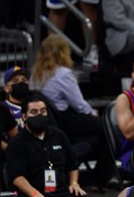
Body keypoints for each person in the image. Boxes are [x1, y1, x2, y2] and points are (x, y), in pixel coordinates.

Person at [29, 35, 116, 184]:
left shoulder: (35, 73)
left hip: (50, 121)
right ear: (64, 52)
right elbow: (79, 104)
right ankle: (102, 176)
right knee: (105, 126)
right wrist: (93, 113)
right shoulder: (63, 73)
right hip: (63, 119)